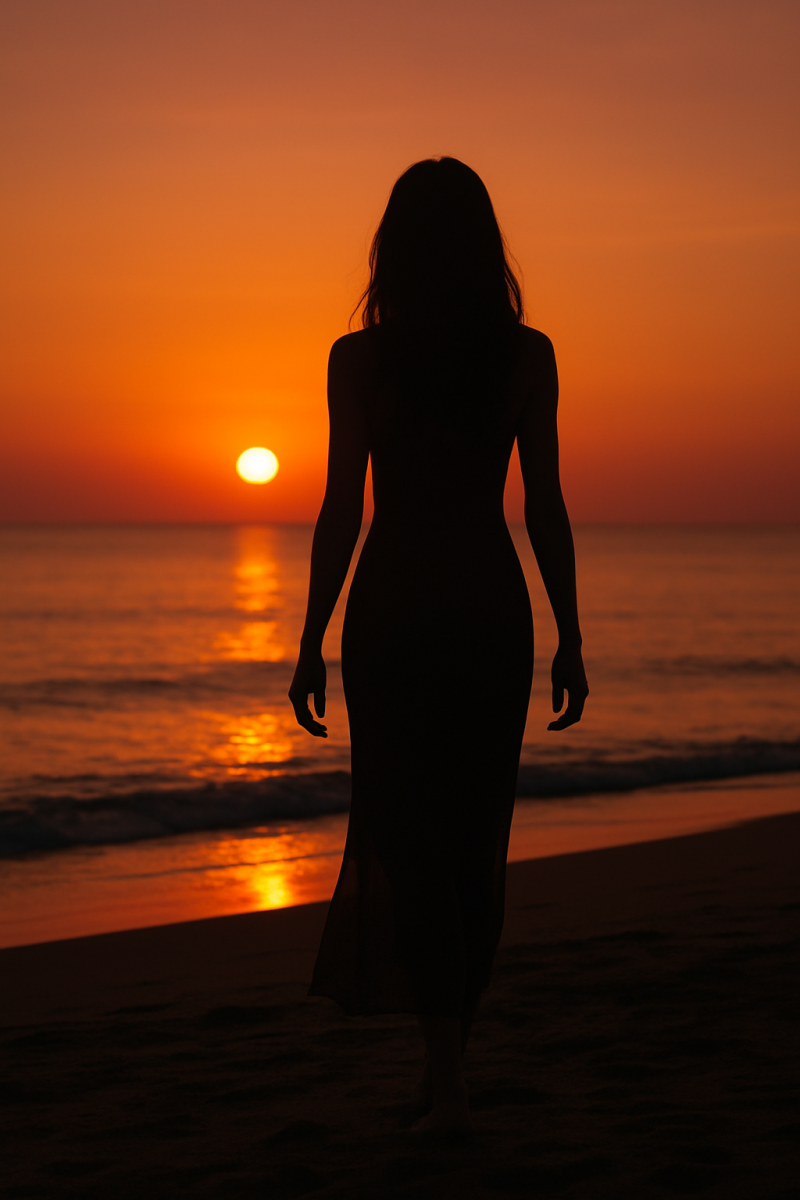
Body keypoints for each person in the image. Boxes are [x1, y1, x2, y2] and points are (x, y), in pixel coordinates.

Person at [289, 157, 588, 1137]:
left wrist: (311, 637)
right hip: (487, 607)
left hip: (396, 608)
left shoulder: (359, 360)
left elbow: (342, 509)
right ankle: (449, 1064)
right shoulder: (526, 354)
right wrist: (569, 633)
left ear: (394, 247)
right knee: (472, 841)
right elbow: (541, 504)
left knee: (410, 838)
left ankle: (445, 1074)